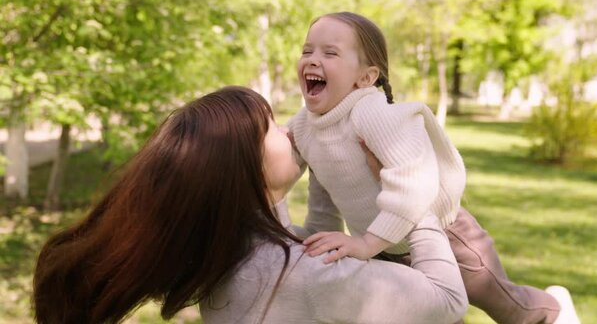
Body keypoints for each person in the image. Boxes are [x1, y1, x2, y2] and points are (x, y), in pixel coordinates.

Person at [33, 86, 468, 323]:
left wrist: (328, 167)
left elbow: (299, 225)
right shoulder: (302, 273)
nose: (290, 131)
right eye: (273, 129)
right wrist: (417, 202)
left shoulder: (232, 251)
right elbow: (448, 303)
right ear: (247, 167)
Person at [287, 12, 581, 324]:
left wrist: (365, 243)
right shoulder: (306, 126)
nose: (313, 60)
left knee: (508, 306)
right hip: (383, 248)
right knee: (433, 317)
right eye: (307, 51)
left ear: (366, 77)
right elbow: (321, 188)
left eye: (330, 53)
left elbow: (416, 182)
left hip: (446, 234)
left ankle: (555, 312)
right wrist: (318, 234)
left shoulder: (370, 113)